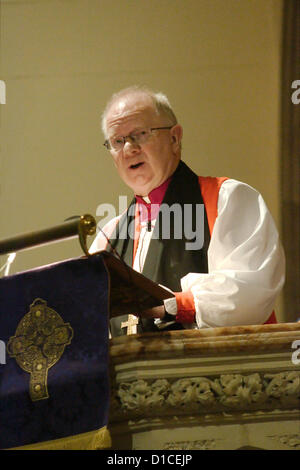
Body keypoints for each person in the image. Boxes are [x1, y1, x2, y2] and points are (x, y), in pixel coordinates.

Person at [90, 85, 285, 336]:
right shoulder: (109, 236)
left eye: (140, 134)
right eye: (118, 141)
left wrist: (170, 306)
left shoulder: (227, 198)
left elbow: (250, 290)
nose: (129, 149)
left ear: (174, 137)